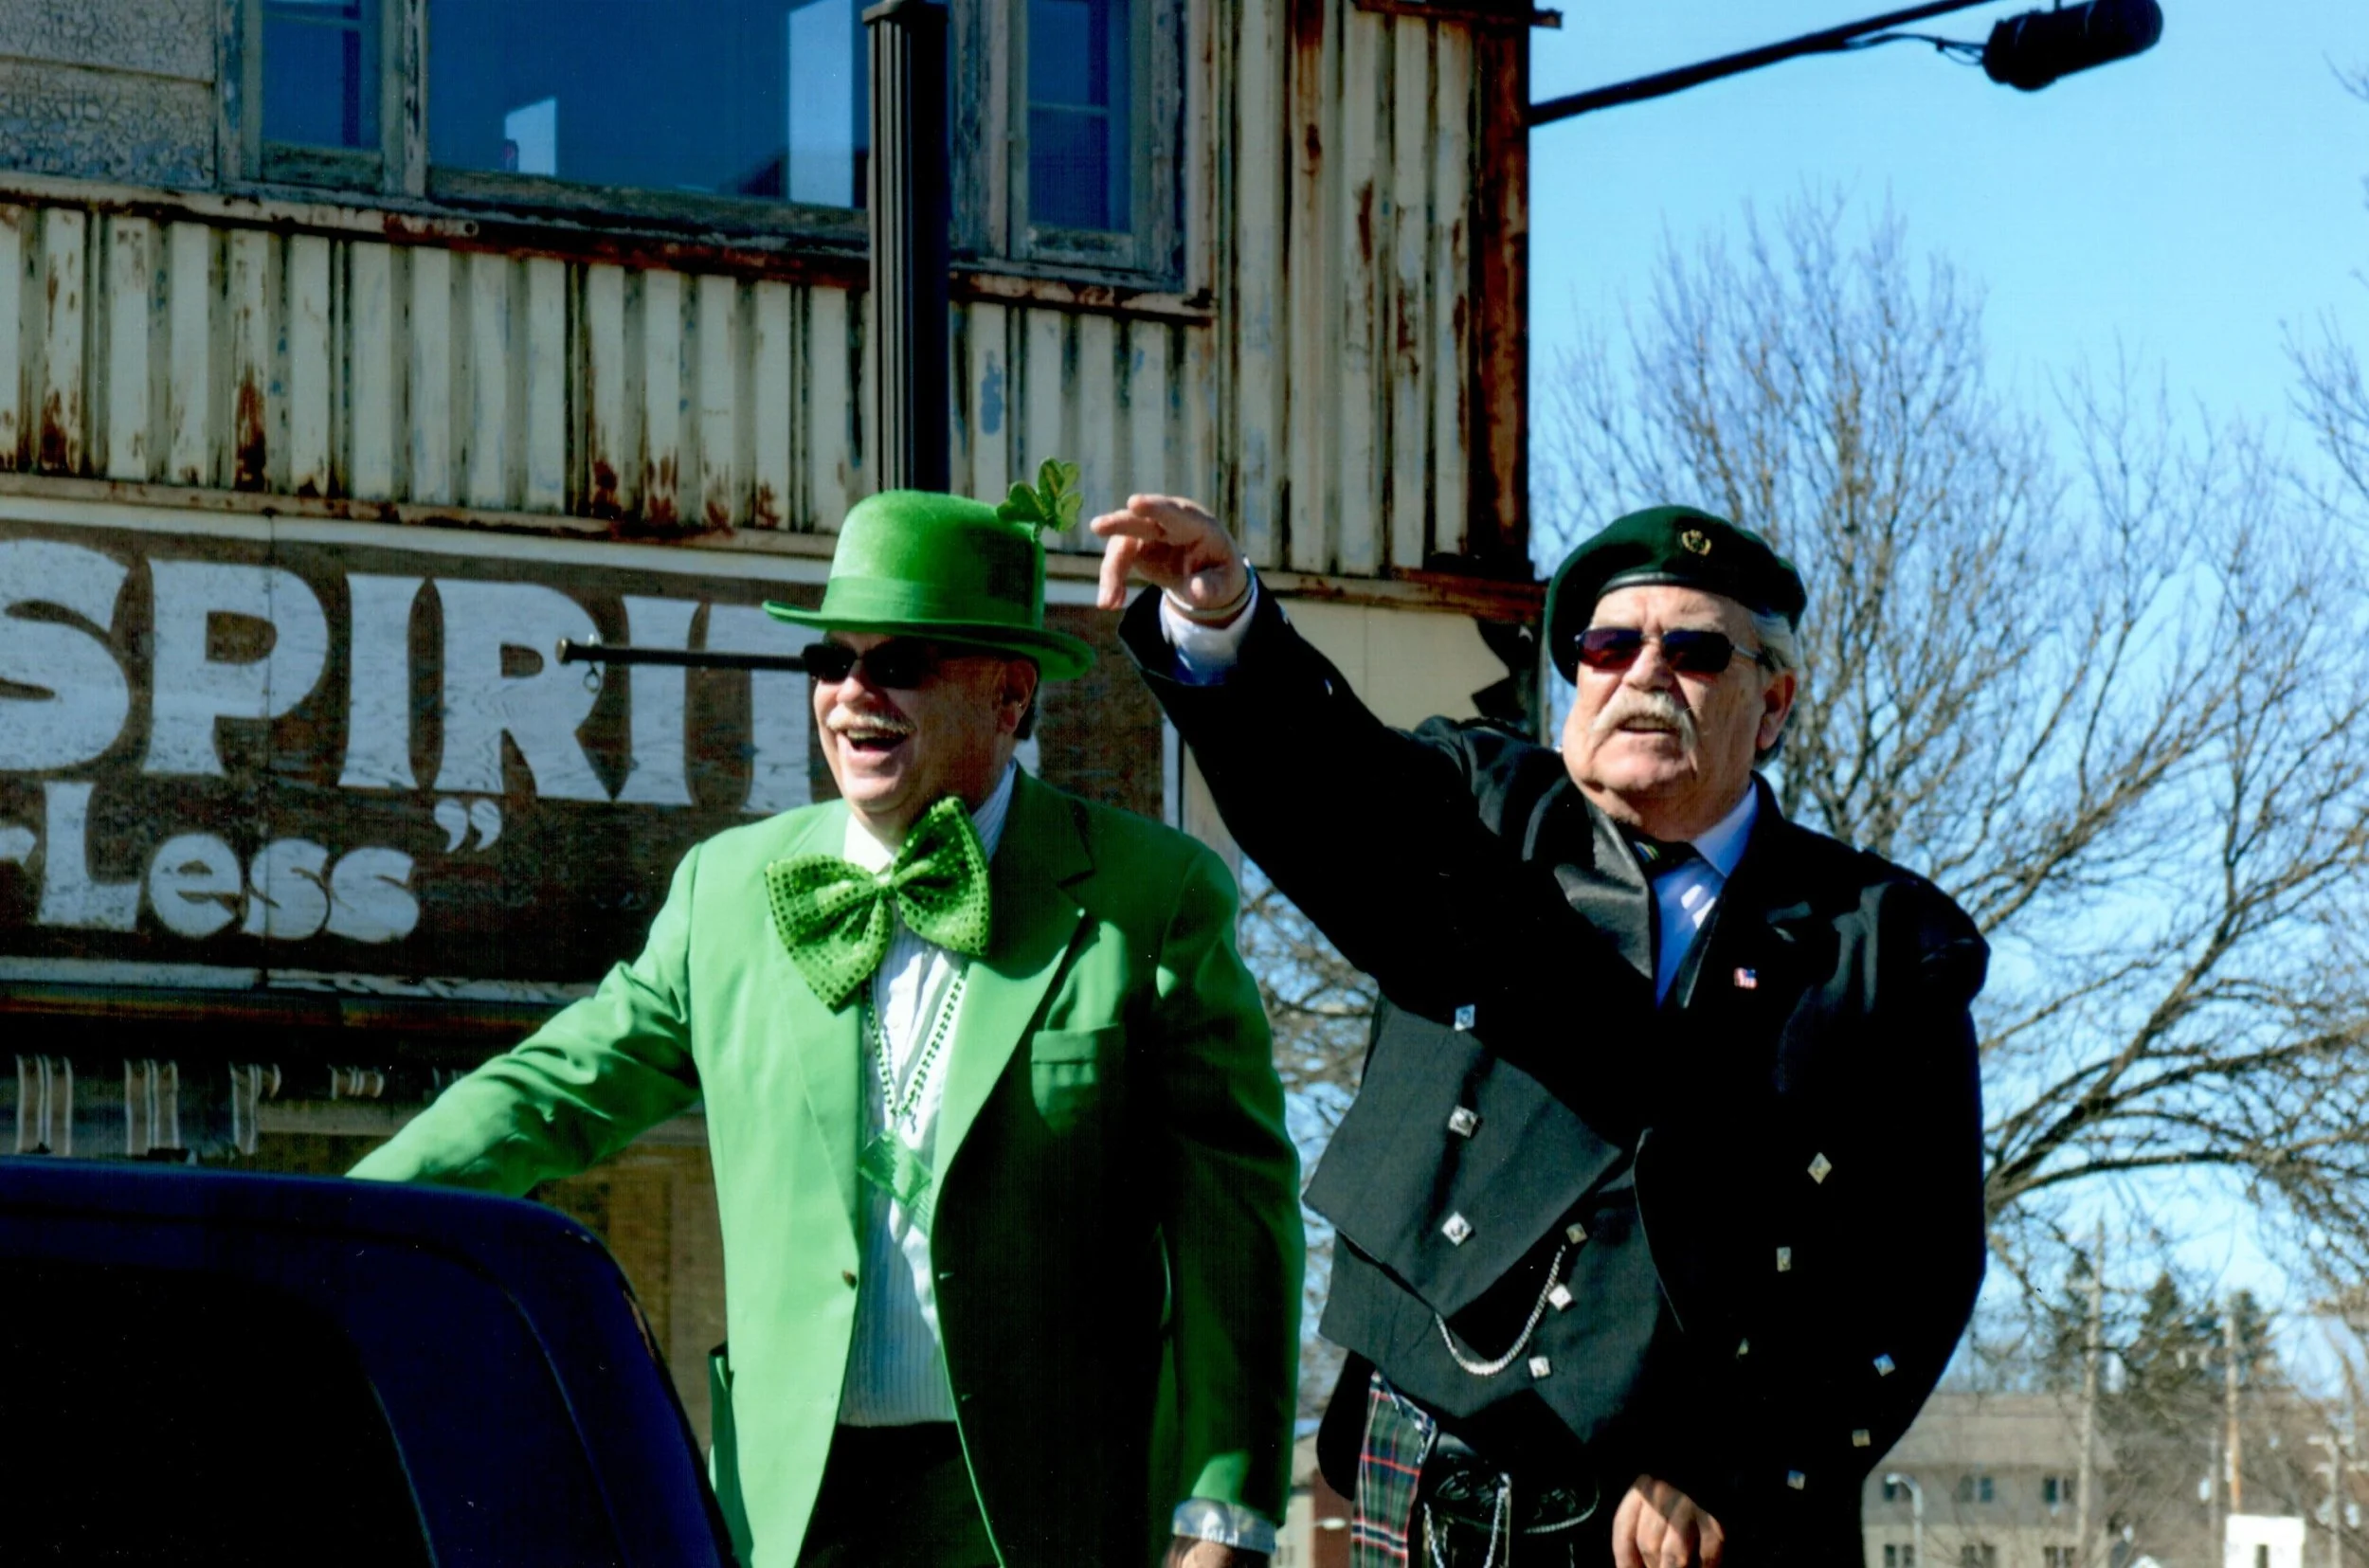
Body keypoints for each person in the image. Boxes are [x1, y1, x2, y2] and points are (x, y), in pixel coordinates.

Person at [353, 475, 1303, 1568]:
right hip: (790, 1509)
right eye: (831, 659)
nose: (853, 695)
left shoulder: (1151, 897)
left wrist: (1225, 1511)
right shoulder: (730, 889)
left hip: (1048, 1514)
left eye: (898, 663)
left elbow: (1236, 1220)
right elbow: (553, 1090)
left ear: (1008, 697)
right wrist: (334, 1228)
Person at [1094, 496, 1987, 1568]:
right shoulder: (1473, 809)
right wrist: (1225, 619)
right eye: (1608, 646)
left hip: (1683, 1520)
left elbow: (1916, 1264)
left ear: (1775, 701)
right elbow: (1324, 787)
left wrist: (1732, 1460)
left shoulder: (1884, 945)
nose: (1643, 674)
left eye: (1695, 649)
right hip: (1421, 1458)